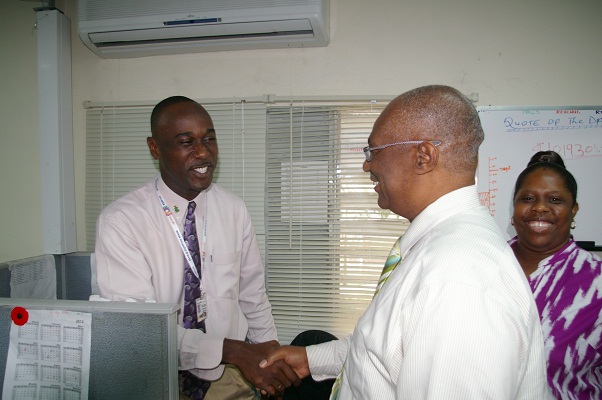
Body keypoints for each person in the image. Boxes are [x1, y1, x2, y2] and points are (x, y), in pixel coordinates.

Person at [260, 85, 551, 399]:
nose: (367, 166)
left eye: (374, 151)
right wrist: (310, 358)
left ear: (423, 156)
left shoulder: (457, 278)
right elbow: (391, 347)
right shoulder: (443, 247)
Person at [93, 96, 299, 399]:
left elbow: (252, 295)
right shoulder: (122, 221)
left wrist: (270, 359)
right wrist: (233, 350)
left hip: (227, 376)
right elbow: (137, 332)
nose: (203, 152)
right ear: (154, 148)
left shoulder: (233, 210)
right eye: (186, 142)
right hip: (157, 377)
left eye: (209, 139)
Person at [509, 150, 602, 399]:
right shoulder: (482, 266)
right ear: (514, 207)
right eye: (528, 198)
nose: (539, 207)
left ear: (573, 210)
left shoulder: (596, 284)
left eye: (555, 200)